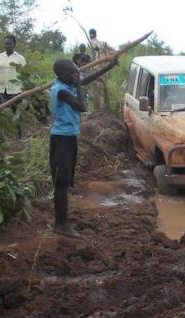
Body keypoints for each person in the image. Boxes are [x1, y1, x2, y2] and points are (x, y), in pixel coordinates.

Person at [49, 57, 119, 237]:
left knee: (64, 180)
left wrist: (108, 67)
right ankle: (61, 224)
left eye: (76, 71)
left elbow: (86, 80)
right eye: (72, 72)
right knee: (62, 182)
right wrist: (78, 83)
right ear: (62, 75)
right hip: (61, 139)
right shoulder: (61, 91)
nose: (76, 74)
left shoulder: (65, 85)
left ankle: (62, 222)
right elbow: (82, 106)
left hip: (68, 137)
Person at [88, 28, 115, 110]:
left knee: (96, 88)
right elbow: (114, 50)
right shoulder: (104, 43)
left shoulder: (91, 43)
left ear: (90, 35)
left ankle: (99, 108)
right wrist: (108, 55)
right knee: (104, 87)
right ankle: (104, 107)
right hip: (104, 68)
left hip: (96, 69)